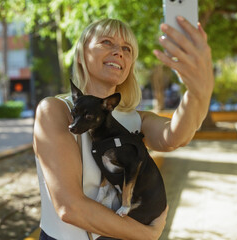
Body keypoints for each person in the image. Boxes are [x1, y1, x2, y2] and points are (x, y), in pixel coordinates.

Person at [33, 17, 214, 240]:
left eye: (127, 49)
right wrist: (148, 235)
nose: (119, 51)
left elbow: (175, 137)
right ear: (80, 55)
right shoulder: (55, 110)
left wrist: (198, 92)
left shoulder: (137, 119)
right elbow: (70, 208)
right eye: (107, 42)